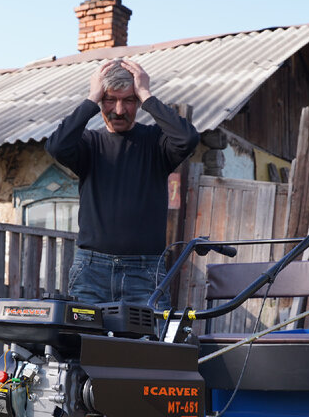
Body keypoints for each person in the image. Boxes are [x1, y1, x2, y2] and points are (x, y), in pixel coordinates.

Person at [45, 58, 199, 311]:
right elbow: (56, 145)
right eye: (109, 99)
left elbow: (188, 138)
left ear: (137, 103)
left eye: (128, 100)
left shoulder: (156, 143)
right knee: (86, 349)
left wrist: (147, 94)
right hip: (91, 272)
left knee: (151, 349)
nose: (119, 110)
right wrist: (91, 97)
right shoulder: (89, 145)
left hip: (146, 272)